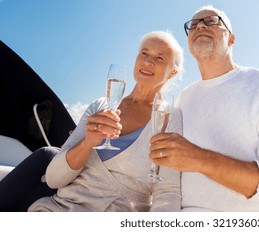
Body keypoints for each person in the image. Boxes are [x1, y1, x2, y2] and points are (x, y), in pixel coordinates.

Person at [150, 5, 259, 211]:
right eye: (194, 24)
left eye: (212, 21)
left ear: (231, 39)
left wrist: (199, 159)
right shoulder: (184, 98)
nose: (200, 26)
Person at [25, 30, 184, 211]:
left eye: (160, 58)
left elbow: (168, 191)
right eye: (144, 53)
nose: (148, 61)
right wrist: (88, 142)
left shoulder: (169, 118)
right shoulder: (100, 106)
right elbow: (54, 179)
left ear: (172, 72)